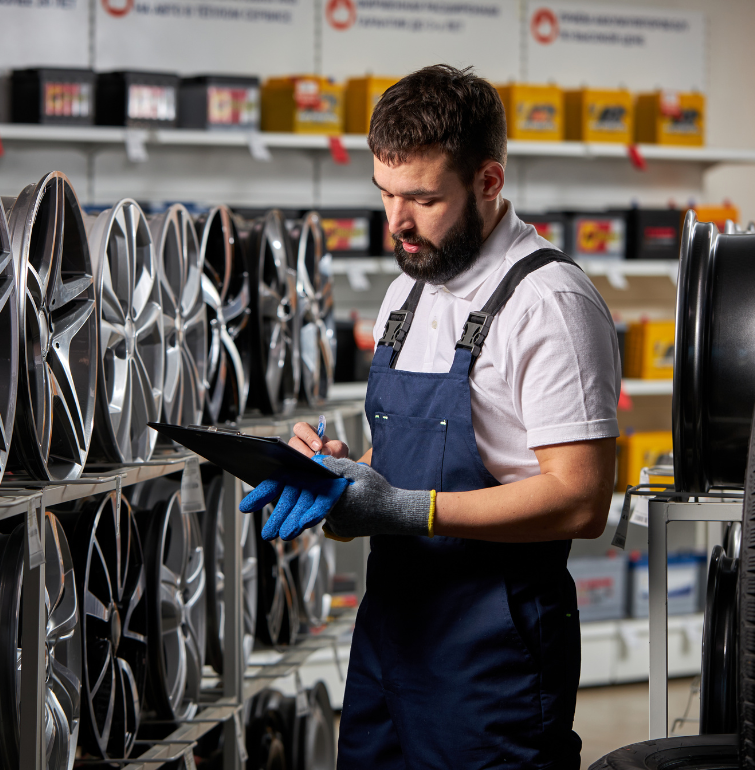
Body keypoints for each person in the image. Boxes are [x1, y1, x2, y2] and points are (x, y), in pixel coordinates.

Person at [240, 64, 620, 769]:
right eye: (385, 194)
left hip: (493, 653)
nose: (397, 223)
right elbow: (405, 462)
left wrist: (406, 509)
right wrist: (341, 472)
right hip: (390, 637)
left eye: (422, 198)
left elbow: (582, 499)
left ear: (488, 181)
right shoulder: (404, 296)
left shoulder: (549, 304)